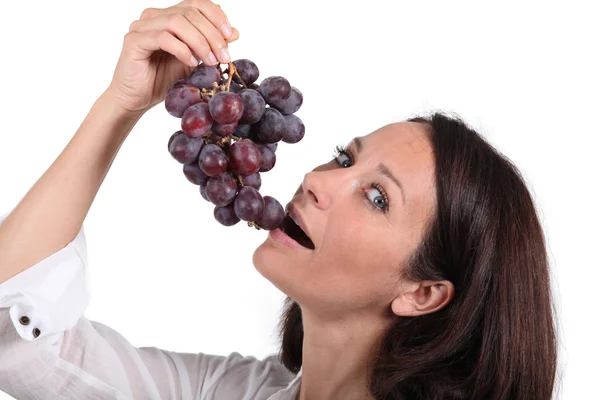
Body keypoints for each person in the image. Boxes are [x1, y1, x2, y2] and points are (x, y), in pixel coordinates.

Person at [0, 0, 558, 399]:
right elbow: (20, 338)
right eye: (345, 158)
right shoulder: (228, 392)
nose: (318, 180)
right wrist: (119, 106)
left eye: (376, 197)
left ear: (425, 292)